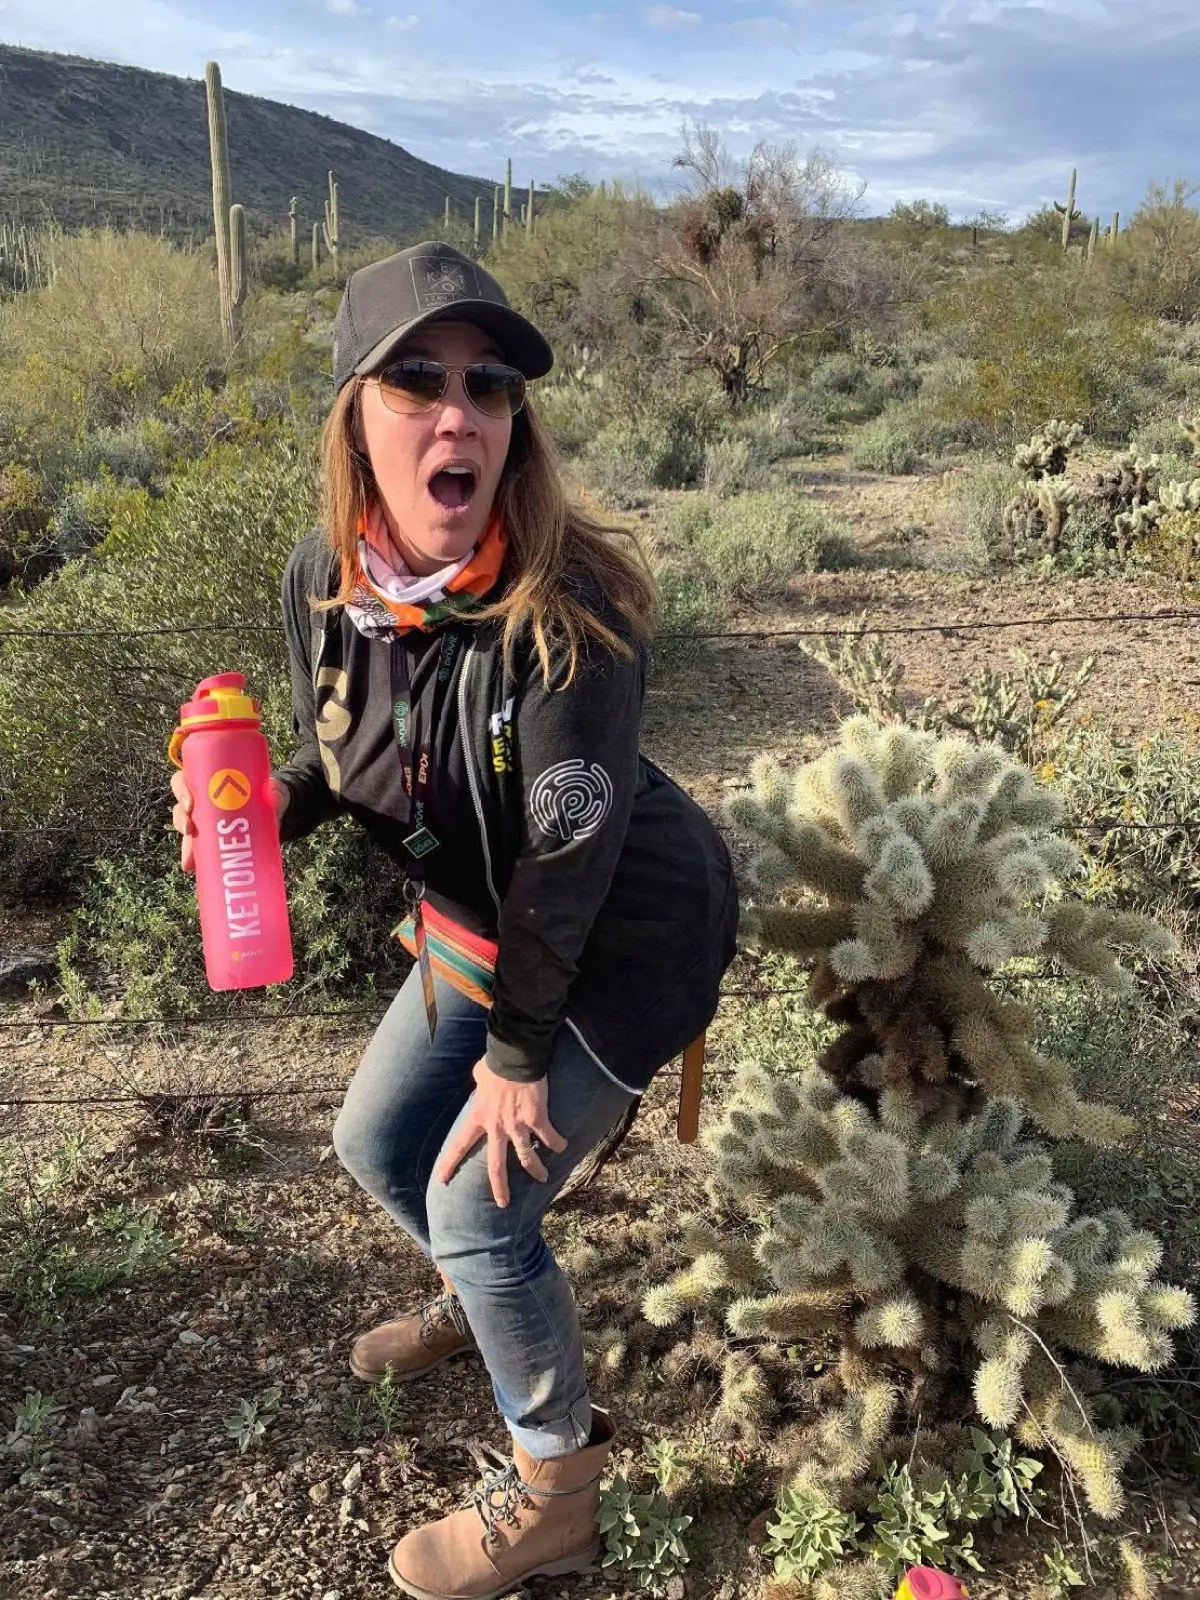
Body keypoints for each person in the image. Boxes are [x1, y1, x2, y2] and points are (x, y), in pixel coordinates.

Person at [171, 241, 738, 1600]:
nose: (458, 413)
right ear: (355, 416)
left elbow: (571, 861)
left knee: (475, 1208)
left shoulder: (568, 613)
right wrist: (262, 807)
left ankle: (557, 1491)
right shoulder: (329, 576)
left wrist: (516, 1058)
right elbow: (344, 747)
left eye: (489, 387)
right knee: (377, 1147)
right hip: (489, 917)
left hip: (626, 935)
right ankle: (493, 1301)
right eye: (417, 378)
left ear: (513, 426)